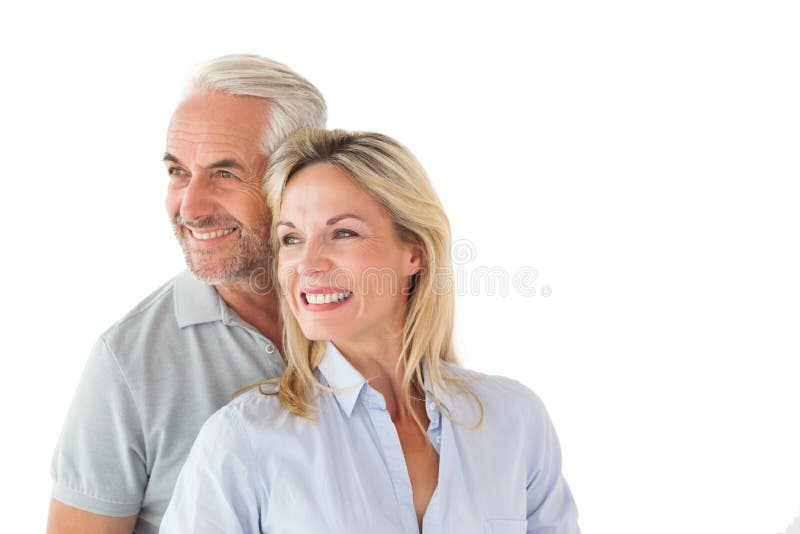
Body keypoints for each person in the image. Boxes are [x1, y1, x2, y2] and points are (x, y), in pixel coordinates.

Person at [161, 128, 580, 533]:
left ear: (414, 252)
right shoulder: (242, 440)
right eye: (291, 239)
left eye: (342, 233)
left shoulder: (514, 420)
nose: (307, 264)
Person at [47, 55, 326, 534]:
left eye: (225, 174)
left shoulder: (369, 318)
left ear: (298, 177)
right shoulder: (128, 362)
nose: (190, 207)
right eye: (178, 171)